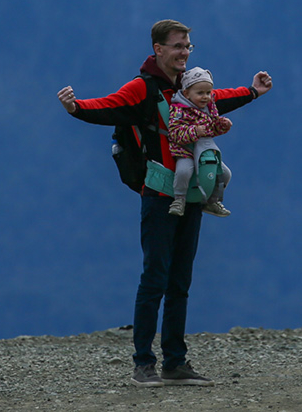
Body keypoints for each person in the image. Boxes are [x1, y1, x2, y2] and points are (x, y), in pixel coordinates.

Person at [57, 19, 272, 388]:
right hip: (158, 196)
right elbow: (108, 107)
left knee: (180, 280)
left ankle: (175, 363)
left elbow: (215, 99)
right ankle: (144, 365)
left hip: (191, 195)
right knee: (154, 279)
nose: (185, 53)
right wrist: (76, 107)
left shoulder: (190, 87)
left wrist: (251, 92)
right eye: (178, 46)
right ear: (158, 49)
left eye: (188, 46)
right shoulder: (142, 89)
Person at [166, 66, 233, 218]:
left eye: (208, 93)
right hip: (186, 151)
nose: (205, 97)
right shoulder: (179, 110)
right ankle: (179, 200)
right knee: (184, 172)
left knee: (225, 174)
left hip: (205, 150)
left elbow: (212, 129)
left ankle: (212, 201)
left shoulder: (209, 108)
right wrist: (195, 132)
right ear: (186, 93)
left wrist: (222, 126)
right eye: (200, 93)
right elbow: (175, 134)